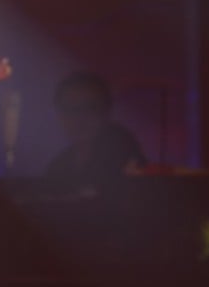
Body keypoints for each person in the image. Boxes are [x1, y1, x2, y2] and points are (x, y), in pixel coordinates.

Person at [42, 70, 146, 199]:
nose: (79, 118)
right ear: (59, 115)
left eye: (90, 108)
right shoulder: (58, 166)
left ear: (106, 111)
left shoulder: (122, 150)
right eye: (70, 109)